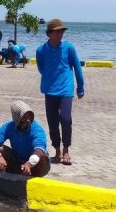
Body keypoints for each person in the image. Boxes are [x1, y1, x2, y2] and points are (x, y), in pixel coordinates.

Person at [36, 19, 85, 165]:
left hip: (66, 90)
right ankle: (56, 149)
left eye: (62, 31)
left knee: (65, 119)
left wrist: (80, 87)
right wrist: (50, 78)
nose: (60, 34)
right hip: (49, 90)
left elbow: (77, 68)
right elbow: (41, 68)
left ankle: (66, 150)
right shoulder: (41, 50)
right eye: (57, 31)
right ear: (49, 33)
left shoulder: (69, 48)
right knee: (52, 122)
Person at [0, 100, 50, 177]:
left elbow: (39, 150)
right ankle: (7, 173)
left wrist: (29, 164)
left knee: (42, 155)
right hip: (18, 161)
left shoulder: (37, 129)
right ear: (17, 118)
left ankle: (33, 176)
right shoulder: (8, 126)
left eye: (29, 116)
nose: (28, 119)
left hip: (35, 164)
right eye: (24, 117)